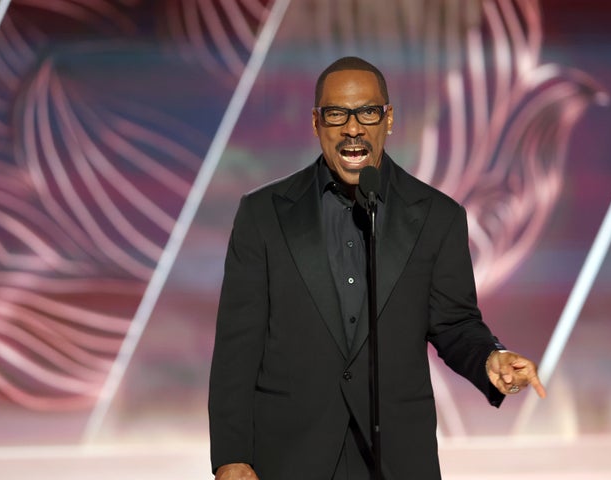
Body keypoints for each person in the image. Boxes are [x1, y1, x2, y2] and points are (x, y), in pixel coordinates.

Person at [208, 56, 546, 480]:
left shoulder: (437, 217)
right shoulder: (262, 215)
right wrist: (231, 456)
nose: (353, 128)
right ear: (316, 124)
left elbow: (455, 323)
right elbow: (237, 350)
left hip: (396, 458)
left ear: (388, 120)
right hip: (289, 458)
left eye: (368, 112)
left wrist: (490, 357)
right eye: (337, 114)